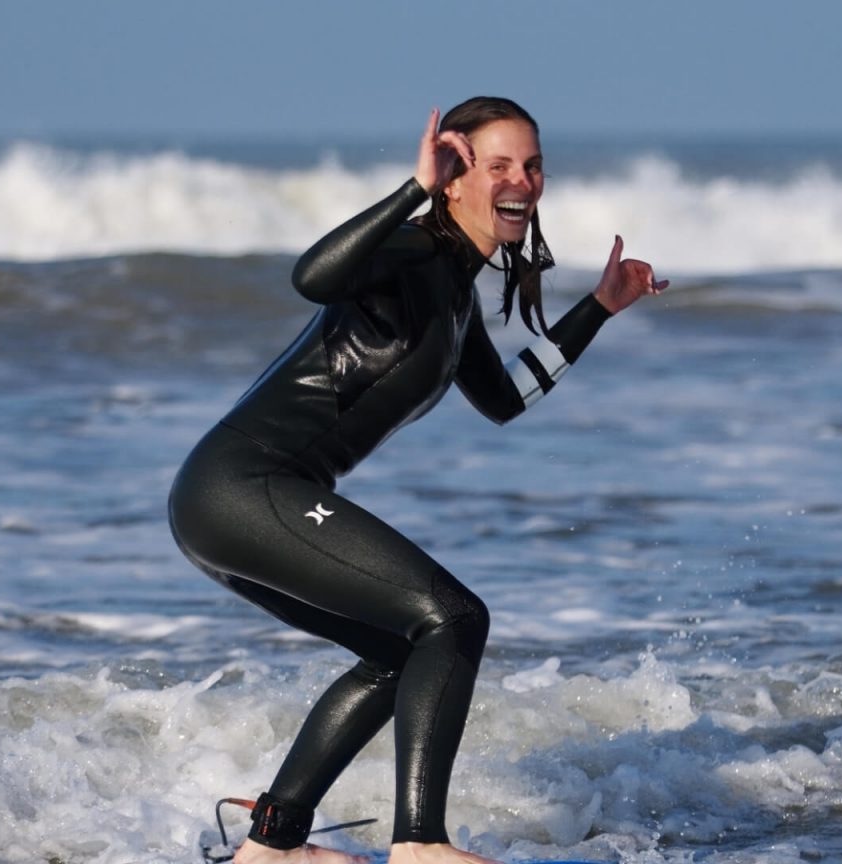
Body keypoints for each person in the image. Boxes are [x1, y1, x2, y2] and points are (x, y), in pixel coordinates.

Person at [167, 96, 667, 864]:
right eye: (498, 165)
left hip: (231, 498)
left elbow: (505, 400)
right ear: (458, 178)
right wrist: (412, 190)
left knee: (399, 654)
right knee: (453, 619)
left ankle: (272, 846)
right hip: (242, 485)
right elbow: (312, 276)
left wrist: (598, 308)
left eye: (532, 167)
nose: (522, 182)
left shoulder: (456, 297)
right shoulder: (412, 254)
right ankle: (421, 844)